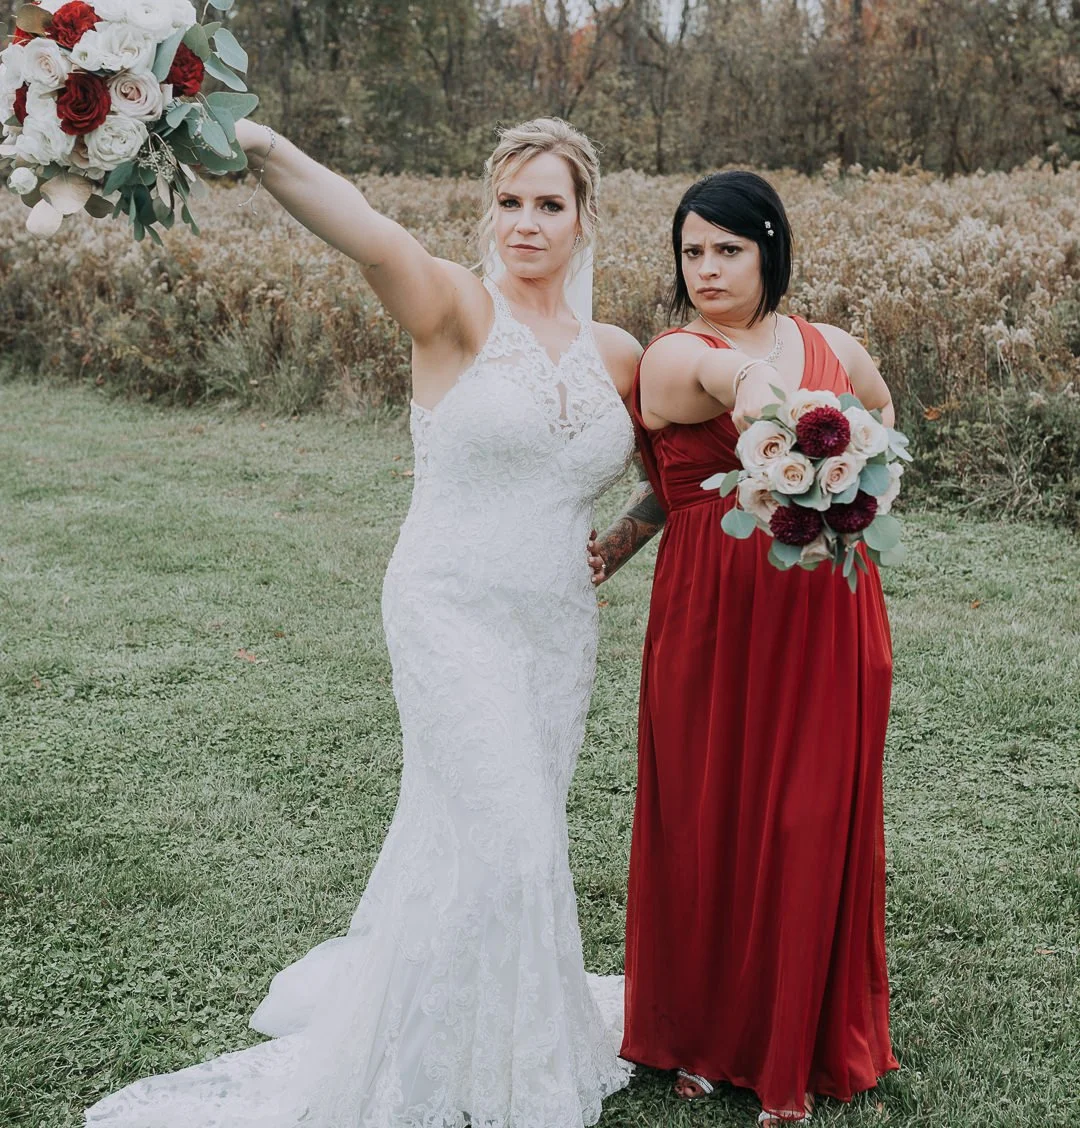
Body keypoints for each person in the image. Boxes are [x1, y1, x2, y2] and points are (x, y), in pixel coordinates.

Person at [86, 117, 642, 1128]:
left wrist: (627, 537)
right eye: (509, 201)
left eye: (548, 204)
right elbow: (368, 230)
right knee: (514, 840)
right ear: (489, 211)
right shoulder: (458, 311)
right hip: (451, 611)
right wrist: (253, 142)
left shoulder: (619, 353)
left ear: (584, 218)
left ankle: (483, 1027)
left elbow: (676, 471)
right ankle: (492, 1084)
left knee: (498, 842)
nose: (526, 222)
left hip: (554, 634)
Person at [589, 170, 899, 1125]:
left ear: (771, 249)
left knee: (805, 818)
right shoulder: (678, 353)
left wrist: (856, 493)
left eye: (729, 248)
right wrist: (775, 397)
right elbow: (707, 433)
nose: (709, 268)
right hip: (712, 619)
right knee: (709, 812)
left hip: (827, 614)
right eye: (693, 251)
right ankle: (704, 1033)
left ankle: (793, 1039)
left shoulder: (835, 346)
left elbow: (882, 434)